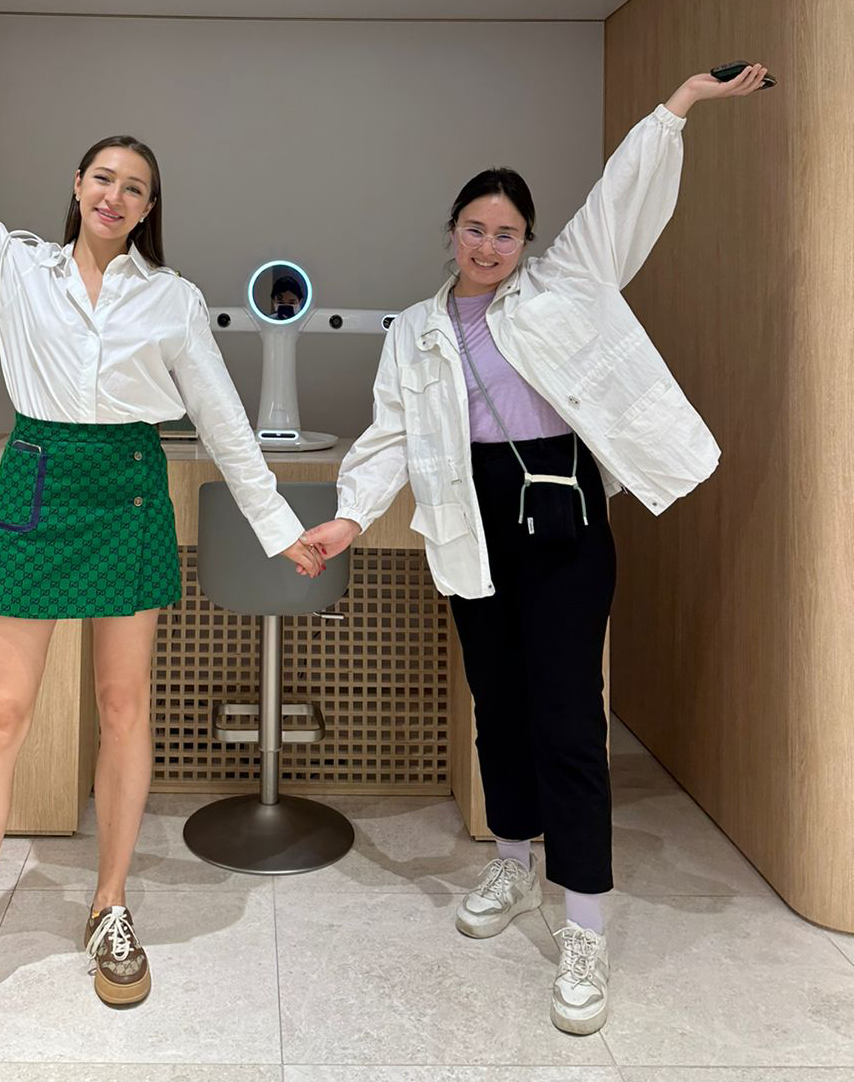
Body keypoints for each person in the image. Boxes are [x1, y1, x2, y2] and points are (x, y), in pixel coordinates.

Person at [0, 0, 324, 1082]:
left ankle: (110, 905)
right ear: (77, 186)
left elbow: (224, 422)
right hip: (39, 476)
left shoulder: (173, 300)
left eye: (135, 186)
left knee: (123, 707)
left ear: (149, 209)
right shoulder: (14, 267)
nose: (115, 195)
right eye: (103, 177)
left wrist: (280, 528)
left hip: (129, 488)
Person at [305, 64, 770, 1037]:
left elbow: (622, 197)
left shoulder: (568, 281)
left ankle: (585, 925)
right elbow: (391, 434)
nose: (488, 245)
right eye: (475, 228)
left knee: (566, 718)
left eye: (506, 232)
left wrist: (682, 104)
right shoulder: (417, 331)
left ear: (528, 240)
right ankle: (513, 864)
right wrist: (348, 516)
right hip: (470, 522)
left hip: (562, 519)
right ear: (451, 231)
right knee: (499, 708)